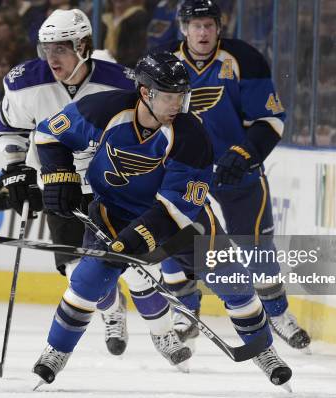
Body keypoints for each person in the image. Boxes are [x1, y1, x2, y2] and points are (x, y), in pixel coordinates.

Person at [30, 51, 292, 388]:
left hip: (181, 221)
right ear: (145, 93)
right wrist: (58, 176)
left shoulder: (191, 135)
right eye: (170, 96)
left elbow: (176, 209)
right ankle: (56, 351)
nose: (178, 105)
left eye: (182, 96)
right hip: (113, 211)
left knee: (233, 281)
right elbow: (48, 136)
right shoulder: (102, 110)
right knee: (87, 281)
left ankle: (263, 350)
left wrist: (135, 240)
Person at [0, 9, 189, 364]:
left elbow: (150, 129)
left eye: (61, 49)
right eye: (45, 49)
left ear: (83, 46)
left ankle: (163, 333)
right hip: (59, 182)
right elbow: (9, 126)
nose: (51, 58)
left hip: (112, 184)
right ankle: (111, 312)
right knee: (75, 270)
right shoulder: (23, 82)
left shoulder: (122, 82)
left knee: (138, 267)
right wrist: (16, 170)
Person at [157, 0, 311, 351]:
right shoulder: (162, 61)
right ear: (183, 28)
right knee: (172, 238)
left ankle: (277, 313)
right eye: (195, 25)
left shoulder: (245, 59)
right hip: (182, 171)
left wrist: (244, 153)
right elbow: (146, 115)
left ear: (219, 27)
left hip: (236, 169)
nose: (203, 32)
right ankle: (185, 310)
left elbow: (270, 120)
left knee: (256, 243)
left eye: (209, 25)